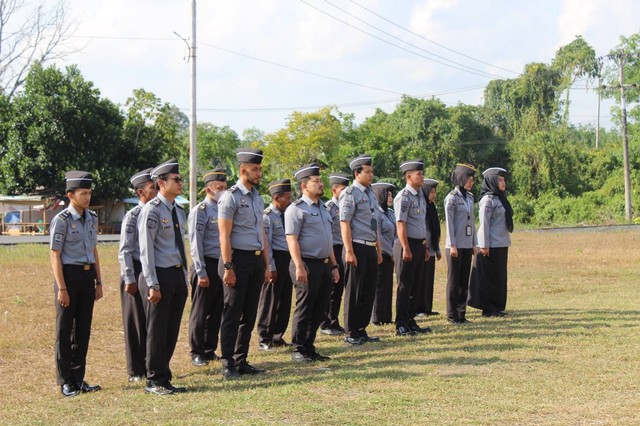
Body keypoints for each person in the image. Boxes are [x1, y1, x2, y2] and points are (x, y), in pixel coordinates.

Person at [217, 148, 271, 379]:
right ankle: (227, 362)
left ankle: (241, 359)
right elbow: (224, 235)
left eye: (259, 169)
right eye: (254, 169)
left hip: (256, 259)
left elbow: (261, 231)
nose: (258, 173)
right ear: (242, 170)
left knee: (249, 313)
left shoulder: (257, 196)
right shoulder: (230, 196)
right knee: (232, 313)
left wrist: (267, 264)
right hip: (237, 259)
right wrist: (228, 267)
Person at [50, 171, 103, 397]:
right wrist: (62, 288)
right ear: (70, 195)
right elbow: (55, 255)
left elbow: (94, 250)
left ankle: (78, 379)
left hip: (87, 276)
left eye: (89, 193)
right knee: (64, 330)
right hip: (68, 277)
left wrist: (99, 281)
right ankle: (65, 381)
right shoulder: (61, 220)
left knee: (83, 329)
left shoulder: (92, 218)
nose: (87, 197)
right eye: (83, 193)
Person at [138, 159, 188, 395]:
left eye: (180, 179)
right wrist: (152, 283)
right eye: (175, 180)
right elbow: (146, 249)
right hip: (160, 275)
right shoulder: (152, 209)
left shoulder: (177, 209)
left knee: (171, 329)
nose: (180, 183)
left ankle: (164, 375)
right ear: (161, 183)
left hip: (177, 274)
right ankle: (153, 379)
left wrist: (185, 276)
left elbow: (180, 246)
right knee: (157, 330)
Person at [286, 163, 340, 362]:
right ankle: (298, 349)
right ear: (304, 186)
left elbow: (329, 240)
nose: (320, 184)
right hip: (306, 263)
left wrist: (334, 265)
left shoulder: (324, 209)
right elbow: (292, 239)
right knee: (305, 306)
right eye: (315, 181)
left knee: (320, 306)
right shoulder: (296, 209)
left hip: (324, 263)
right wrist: (299, 265)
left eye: (320, 181)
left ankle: (309, 346)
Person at [339, 154, 383, 345]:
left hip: (371, 247)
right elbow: (345, 223)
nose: (371, 175)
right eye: (368, 172)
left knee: (368, 290)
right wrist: (349, 251)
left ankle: (361, 329)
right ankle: (350, 332)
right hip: (356, 246)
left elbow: (375, 225)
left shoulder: (370, 193)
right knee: (354, 291)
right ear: (357, 173)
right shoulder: (350, 193)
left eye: (372, 171)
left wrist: (379, 249)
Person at [118, 167, 156, 383]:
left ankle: (150, 363)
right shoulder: (133, 216)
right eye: (152, 188)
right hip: (134, 270)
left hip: (150, 270)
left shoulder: (156, 211)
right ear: (141, 192)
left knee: (151, 320)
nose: (156, 191)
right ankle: (135, 369)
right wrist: (129, 278)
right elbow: (124, 250)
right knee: (134, 322)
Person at [188, 168, 227, 367]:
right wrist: (201, 270)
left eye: (224, 187)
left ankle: (209, 348)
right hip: (205, 264)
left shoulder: (225, 209)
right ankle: (197, 351)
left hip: (221, 265)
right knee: (201, 310)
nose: (223, 191)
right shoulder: (200, 211)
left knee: (217, 309)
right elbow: (195, 243)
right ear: (208, 190)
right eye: (219, 188)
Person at [393, 160, 432, 336]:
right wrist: (406, 248)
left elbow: (421, 223)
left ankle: (411, 319)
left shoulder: (420, 196)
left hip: (419, 244)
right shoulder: (404, 197)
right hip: (406, 245)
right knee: (404, 286)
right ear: (409, 177)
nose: (422, 176)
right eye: (419, 174)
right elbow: (401, 224)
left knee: (416, 285)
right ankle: (401, 323)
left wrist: (425, 247)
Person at [468, 167, 513, 317]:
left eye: (503, 179)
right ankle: (489, 308)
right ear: (492, 181)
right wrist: (484, 245)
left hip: (501, 243)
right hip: (491, 245)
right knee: (490, 278)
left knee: (499, 277)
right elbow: (484, 225)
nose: (503, 182)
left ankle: (497, 306)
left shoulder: (500, 198)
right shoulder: (487, 200)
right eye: (500, 180)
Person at [257, 179, 294, 351]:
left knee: (285, 300)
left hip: (288, 259)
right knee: (270, 300)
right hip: (275, 259)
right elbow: (267, 245)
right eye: (287, 197)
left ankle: (278, 335)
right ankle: (265, 337)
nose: (290, 200)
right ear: (276, 198)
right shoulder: (267, 216)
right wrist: (270, 266)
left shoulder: (288, 214)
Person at [444, 163, 478, 325]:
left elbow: (472, 222)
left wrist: (474, 243)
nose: (470, 182)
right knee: (454, 281)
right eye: (468, 179)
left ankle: (461, 313)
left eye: (472, 179)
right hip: (455, 246)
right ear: (460, 178)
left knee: (464, 280)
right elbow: (449, 224)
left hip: (466, 244)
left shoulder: (470, 197)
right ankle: (452, 314)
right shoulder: (451, 198)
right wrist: (452, 245)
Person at [319, 172, 350, 336]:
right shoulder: (329, 207)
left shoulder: (347, 206)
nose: (346, 193)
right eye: (343, 189)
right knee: (330, 288)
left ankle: (334, 320)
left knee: (339, 289)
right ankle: (325, 323)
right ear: (334, 190)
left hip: (344, 249)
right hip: (333, 249)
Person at [414, 179, 442, 317]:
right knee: (422, 279)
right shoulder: (423, 206)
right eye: (431, 192)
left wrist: (437, 249)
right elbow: (425, 229)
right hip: (424, 246)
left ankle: (427, 307)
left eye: (434, 192)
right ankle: (419, 308)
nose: (433, 195)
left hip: (431, 248)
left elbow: (435, 229)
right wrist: (426, 246)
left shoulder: (432, 207)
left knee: (429, 279)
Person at [370, 182, 396, 326]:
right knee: (378, 286)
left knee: (387, 286)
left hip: (390, 254)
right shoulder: (375, 213)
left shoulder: (390, 213)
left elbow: (396, 233)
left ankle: (386, 316)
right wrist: (386, 251)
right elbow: (376, 234)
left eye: (391, 195)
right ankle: (376, 317)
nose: (391, 198)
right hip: (381, 253)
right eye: (388, 195)